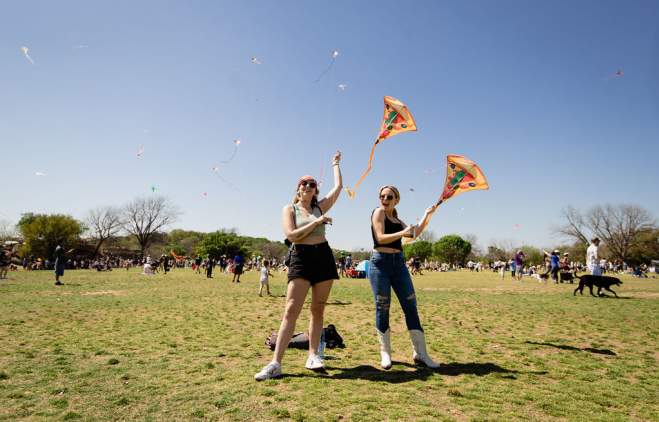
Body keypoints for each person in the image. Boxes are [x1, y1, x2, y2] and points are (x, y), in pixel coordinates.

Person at [255, 151, 343, 381]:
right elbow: (292, 236)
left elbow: (339, 188)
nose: (307, 186)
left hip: (323, 256)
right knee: (291, 310)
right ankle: (276, 363)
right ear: (298, 189)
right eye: (303, 183)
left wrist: (335, 164)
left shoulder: (320, 207)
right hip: (301, 258)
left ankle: (313, 355)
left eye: (312, 184)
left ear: (315, 190)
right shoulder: (290, 209)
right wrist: (316, 222)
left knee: (318, 309)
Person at [368, 185, 440, 370]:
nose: (385, 199)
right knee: (382, 307)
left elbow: (414, 234)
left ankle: (420, 353)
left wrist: (427, 215)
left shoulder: (397, 219)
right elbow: (381, 237)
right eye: (382, 196)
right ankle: (385, 354)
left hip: (399, 264)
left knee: (410, 306)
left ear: (396, 200)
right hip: (380, 264)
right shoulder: (378, 213)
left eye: (389, 196)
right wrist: (403, 232)